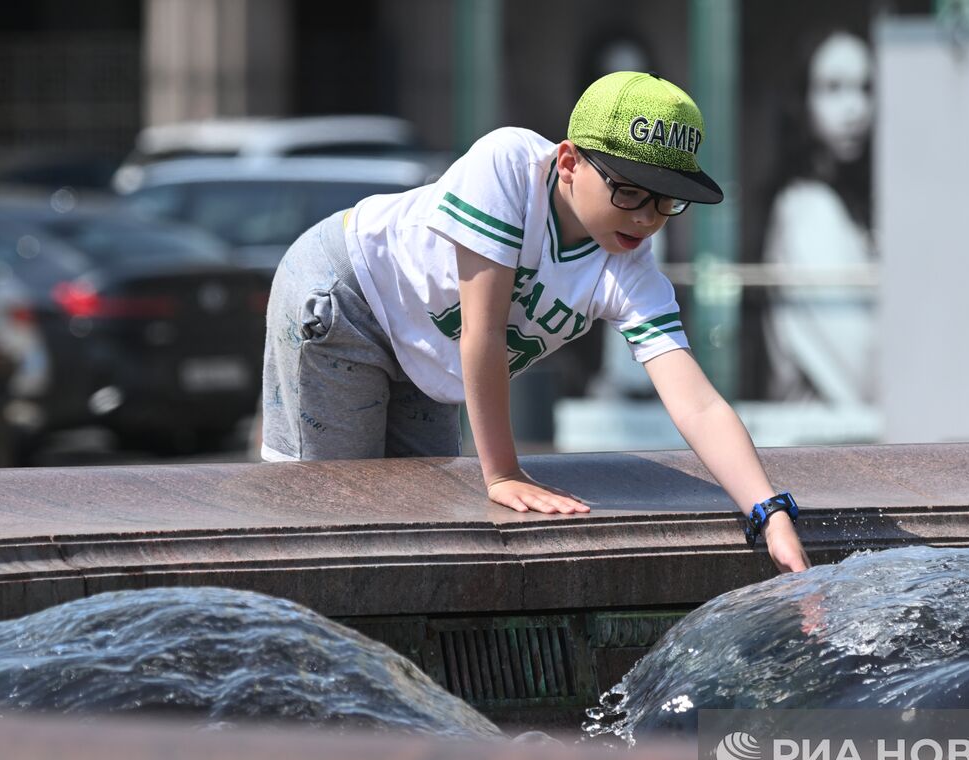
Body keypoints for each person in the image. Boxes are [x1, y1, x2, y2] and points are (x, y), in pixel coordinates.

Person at [261, 72, 808, 573]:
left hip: (429, 350)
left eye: (667, 202)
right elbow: (484, 330)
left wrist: (768, 510)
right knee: (333, 521)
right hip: (349, 298)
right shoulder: (509, 165)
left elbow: (698, 402)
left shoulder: (631, 270)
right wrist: (501, 473)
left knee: (419, 529)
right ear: (569, 163)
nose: (646, 217)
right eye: (630, 191)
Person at [759, 29, 876, 405]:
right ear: (803, 101)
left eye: (866, 88)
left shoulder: (853, 204)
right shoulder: (808, 208)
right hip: (826, 441)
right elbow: (858, 367)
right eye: (833, 87)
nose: (854, 108)